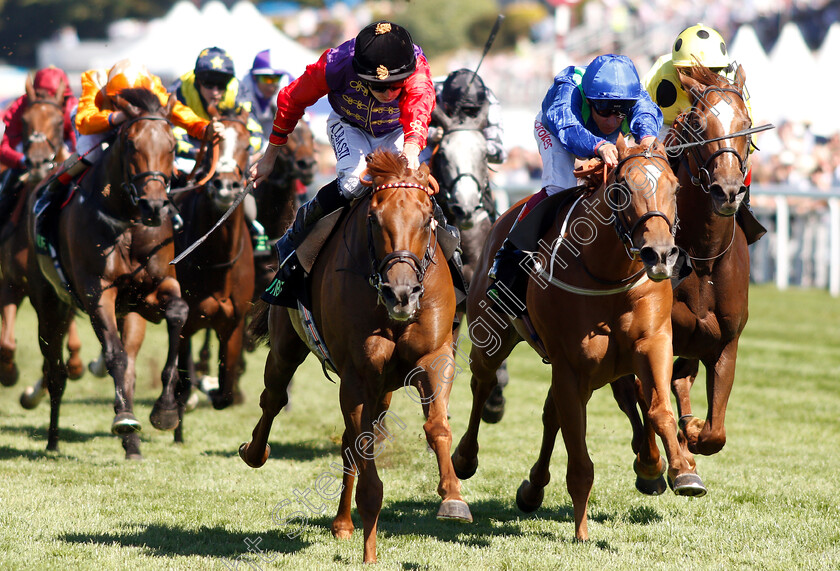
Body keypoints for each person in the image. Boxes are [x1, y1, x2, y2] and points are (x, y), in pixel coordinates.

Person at [250, 20, 464, 308]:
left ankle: (452, 255)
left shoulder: (418, 72)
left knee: (409, 185)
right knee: (352, 184)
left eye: (394, 86)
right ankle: (295, 236)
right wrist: (269, 157)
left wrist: (412, 148)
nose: (388, 94)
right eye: (378, 86)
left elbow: (418, 110)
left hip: (398, 130)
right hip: (349, 125)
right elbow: (291, 100)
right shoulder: (335, 64)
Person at [487, 54, 663, 317]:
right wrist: (599, 145)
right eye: (603, 109)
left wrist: (648, 138)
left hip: (602, 141)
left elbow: (648, 114)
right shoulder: (567, 89)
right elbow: (567, 127)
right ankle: (509, 257)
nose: (613, 120)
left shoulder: (634, 93)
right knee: (560, 186)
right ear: (589, 99)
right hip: (555, 130)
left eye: (622, 110)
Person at [40, 59, 219, 213]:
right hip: (95, 120)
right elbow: (85, 122)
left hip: (132, 124)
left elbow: (180, 113)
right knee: (92, 151)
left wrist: (205, 129)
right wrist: (117, 116)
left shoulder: (153, 88)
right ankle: (53, 188)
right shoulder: (95, 80)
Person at [644, 23, 765, 243]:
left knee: (739, 156)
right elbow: (641, 114)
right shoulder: (660, 72)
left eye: (712, 71)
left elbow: (748, 129)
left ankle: (744, 208)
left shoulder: (729, 81)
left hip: (708, 129)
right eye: (690, 73)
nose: (703, 78)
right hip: (666, 123)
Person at [170, 47, 268, 252]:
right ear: (197, 80)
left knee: (246, 188)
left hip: (226, 152)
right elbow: (172, 133)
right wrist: (203, 154)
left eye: (221, 85)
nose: (215, 91)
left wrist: (238, 154)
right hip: (191, 150)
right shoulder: (179, 90)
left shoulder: (238, 91)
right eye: (208, 83)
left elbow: (256, 133)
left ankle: (257, 231)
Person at [0, 66, 77, 223]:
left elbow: (80, 149)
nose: (45, 100)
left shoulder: (72, 107)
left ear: (62, 96)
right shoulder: (21, 105)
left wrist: (64, 161)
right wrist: (21, 160)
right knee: (6, 187)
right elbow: (4, 148)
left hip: (62, 156)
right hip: (26, 159)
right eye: (40, 95)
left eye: (51, 97)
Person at [421, 68, 506, 165]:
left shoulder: (489, 100)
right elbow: (406, 129)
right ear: (445, 103)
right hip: (431, 147)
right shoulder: (427, 92)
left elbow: (500, 155)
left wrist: (477, 144)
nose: (464, 119)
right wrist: (432, 134)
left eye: (471, 111)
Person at [237, 48, 294, 142]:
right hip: (248, 126)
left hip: (270, 124)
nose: (271, 85)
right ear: (255, 77)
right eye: (267, 79)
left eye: (276, 79)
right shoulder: (242, 91)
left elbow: (304, 119)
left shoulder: (287, 87)